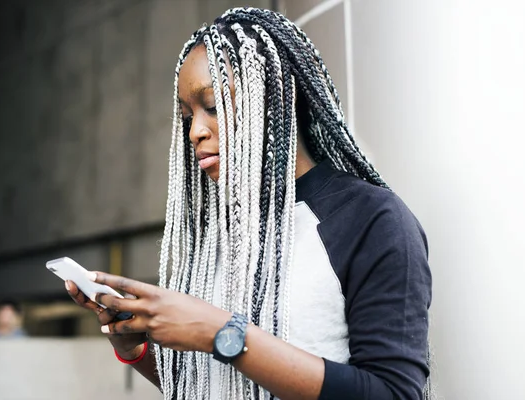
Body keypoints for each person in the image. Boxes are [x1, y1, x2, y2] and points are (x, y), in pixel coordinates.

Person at [66, 8, 432, 400]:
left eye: (212, 105)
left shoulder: (372, 219)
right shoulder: (219, 235)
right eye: (187, 115)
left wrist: (221, 332)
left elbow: (395, 393)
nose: (195, 131)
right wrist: (135, 348)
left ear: (275, 98)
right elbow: (209, 386)